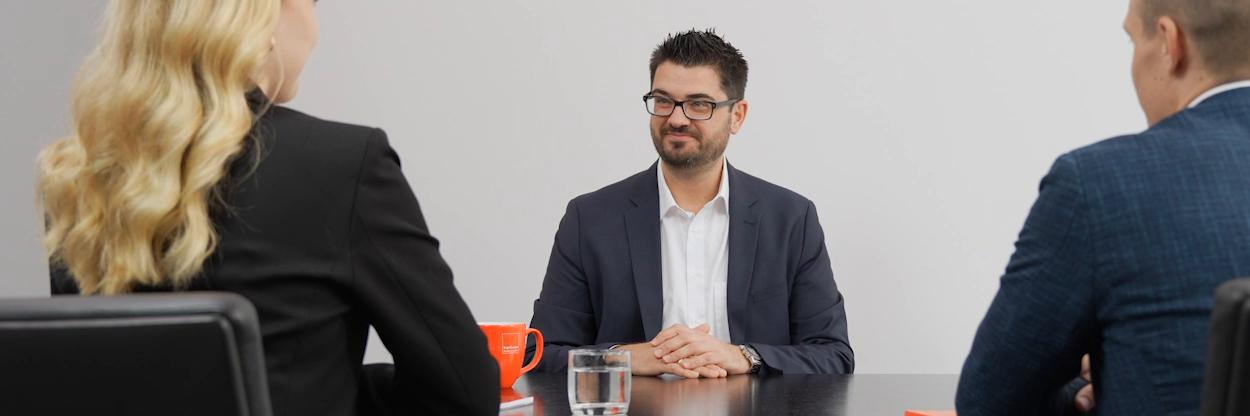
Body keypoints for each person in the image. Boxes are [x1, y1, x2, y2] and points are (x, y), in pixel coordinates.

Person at [37, 1, 499, 415]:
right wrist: (327, 389)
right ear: (267, 13)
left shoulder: (79, 177)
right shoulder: (343, 164)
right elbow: (465, 392)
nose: (316, 29)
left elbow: (92, 384)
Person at [957, 0, 1250, 414]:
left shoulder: (1099, 183)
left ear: (1170, 42)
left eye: (1133, 40)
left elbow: (987, 399)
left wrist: (1095, 384)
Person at [526, 29, 853, 378]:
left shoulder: (791, 219)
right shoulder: (589, 219)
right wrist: (624, 359)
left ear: (737, 116)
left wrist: (744, 357)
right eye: (663, 100)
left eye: (699, 104)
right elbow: (540, 356)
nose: (677, 119)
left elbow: (833, 356)